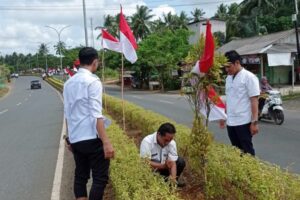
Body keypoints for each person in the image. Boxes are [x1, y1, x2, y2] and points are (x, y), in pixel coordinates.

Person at [63, 47, 114, 200]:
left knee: (81, 177)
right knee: (100, 179)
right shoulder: (93, 81)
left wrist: (69, 138)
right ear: (95, 62)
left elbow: (68, 113)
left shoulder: (68, 83)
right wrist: (106, 142)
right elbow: (96, 115)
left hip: (76, 138)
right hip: (92, 138)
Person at [219, 50, 260, 156]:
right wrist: (223, 116)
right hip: (231, 121)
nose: (227, 70)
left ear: (237, 63)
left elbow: (254, 100)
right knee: (236, 151)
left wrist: (254, 123)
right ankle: (241, 172)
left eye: (229, 66)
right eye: (225, 67)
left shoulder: (249, 77)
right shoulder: (228, 78)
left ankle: (251, 172)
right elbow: (229, 98)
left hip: (243, 121)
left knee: (247, 151)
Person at [140, 122, 185, 186]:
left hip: (165, 168)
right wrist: (162, 166)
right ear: (158, 134)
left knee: (180, 161)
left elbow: (172, 163)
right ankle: (157, 182)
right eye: (166, 140)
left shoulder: (171, 143)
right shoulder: (147, 142)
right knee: (150, 178)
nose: (168, 142)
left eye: (170, 139)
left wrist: (173, 179)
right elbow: (145, 162)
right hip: (152, 169)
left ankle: (171, 184)